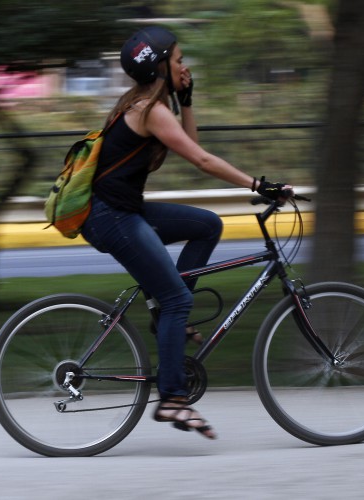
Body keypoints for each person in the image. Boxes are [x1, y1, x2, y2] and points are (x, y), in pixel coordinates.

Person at [80, 26, 291, 440]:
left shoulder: (151, 106)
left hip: (123, 210)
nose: (185, 65)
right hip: (111, 217)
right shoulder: (148, 109)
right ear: (160, 66)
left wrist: (187, 101)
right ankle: (172, 398)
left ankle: (167, 320)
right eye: (178, 59)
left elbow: (189, 144)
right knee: (177, 298)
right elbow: (201, 159)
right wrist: (258, 184)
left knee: (207, 225)